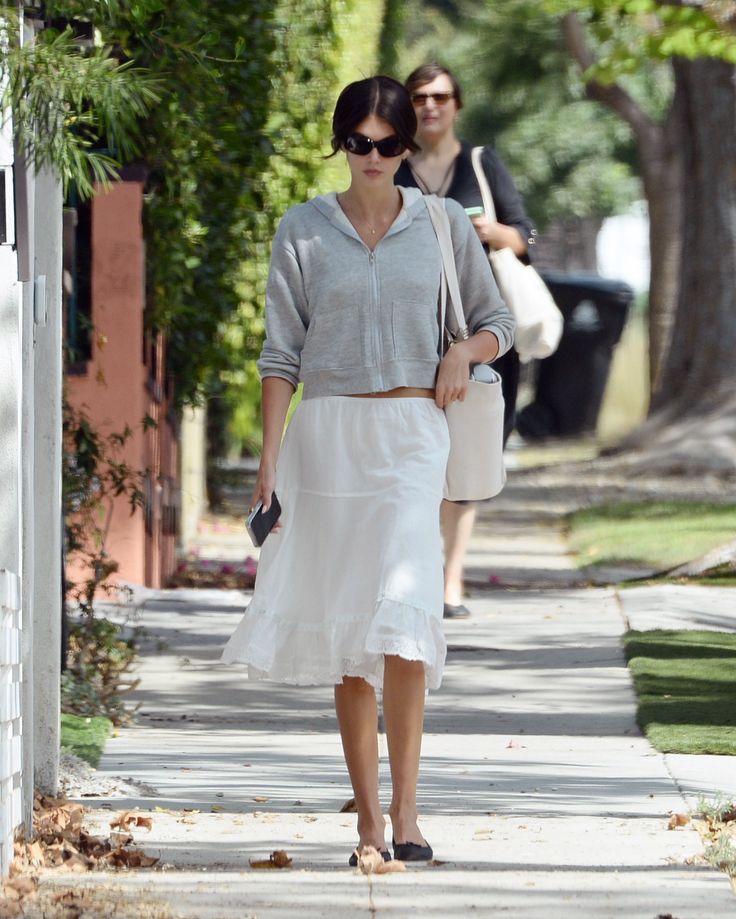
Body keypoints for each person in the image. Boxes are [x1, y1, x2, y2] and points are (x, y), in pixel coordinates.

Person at [221, 76, 514, 865]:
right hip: (329, 440)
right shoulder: (303, 230)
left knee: (408, 611)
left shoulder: (445, 224)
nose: (374, 156)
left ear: (408, 149)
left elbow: (499, 323)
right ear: (340, 144)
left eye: (389, 143)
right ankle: (368, 828)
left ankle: (409, 810)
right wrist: (268, 464)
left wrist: (461, 348)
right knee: (354, 629)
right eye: (359, 142)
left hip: (414, 434)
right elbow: (281, 354)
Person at [395, 63, 536, 621]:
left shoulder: (481, 164)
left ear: (457, 104)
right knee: (416, 453)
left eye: (441, 96)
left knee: (471, 453)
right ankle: (420, 570)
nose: (431, 106)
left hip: (482, 332)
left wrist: (493, 233)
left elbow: (527, 234)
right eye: (420, 96)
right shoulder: (388, 167)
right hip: (414, 332)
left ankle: (451, 580)